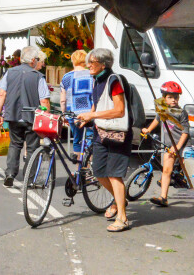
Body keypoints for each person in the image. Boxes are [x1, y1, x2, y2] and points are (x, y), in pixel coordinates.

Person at [76, 48, 133, 232]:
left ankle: (122, 218)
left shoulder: (113, 80)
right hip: (101, 132)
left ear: (103, 64)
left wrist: (93, 115)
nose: (88, 65)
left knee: (114, 174)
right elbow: (97, 102)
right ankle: (119, 200)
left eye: (92, 62)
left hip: (118, 134)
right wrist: (86, 117)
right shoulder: (96, 80)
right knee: (99, 172)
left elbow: (119, 110)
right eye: (88, 61)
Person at [0, 45, 50, 187]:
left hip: (13, 115)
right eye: (37, 59)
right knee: (32, 147)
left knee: (15, 144)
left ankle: (10, 174)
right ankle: (28, 179)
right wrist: (46, 118)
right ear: (32, 60)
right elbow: (44, 100)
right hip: (32, 116)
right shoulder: (38, 77)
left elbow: (2, 94)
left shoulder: (9, 72)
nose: (38, 61)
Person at [141, 81, 190, 208]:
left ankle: (180, 178)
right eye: (170, 97)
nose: (174, 100)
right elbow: (157, 120)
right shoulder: (162, 108)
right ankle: (163, 198)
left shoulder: (181, 112)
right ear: (164, 98)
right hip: (170, 146)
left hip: (183, 145)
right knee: (166, 170)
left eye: (176, 97)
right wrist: (148, 129)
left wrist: (178, 147)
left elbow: (185, 132)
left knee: (189, 173)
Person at [59, 50, 94, 156]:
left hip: (73, 114)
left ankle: (79, 168)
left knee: (77, 140)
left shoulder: (67, 77)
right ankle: (88, 168)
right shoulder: (92, 75)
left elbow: (63, 100)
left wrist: (64, 113)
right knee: (90, 140)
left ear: (73, 61)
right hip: (90, 114)